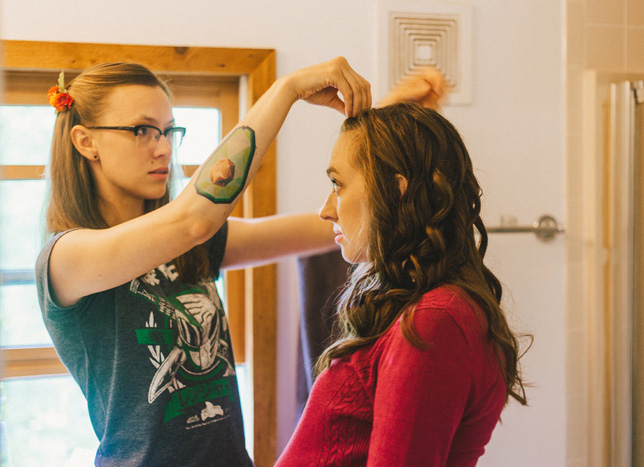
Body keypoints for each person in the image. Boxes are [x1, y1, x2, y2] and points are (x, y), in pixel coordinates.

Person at [36, 57, 374, 466]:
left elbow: (330, 226)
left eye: (168, 131)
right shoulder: (67, 258)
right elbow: (194, 219)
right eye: (142, 130)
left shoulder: (190, 243)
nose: (164, 148)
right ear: (85, 141)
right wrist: (287, 90)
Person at [276, 102, 528, 466]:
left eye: (337, 185)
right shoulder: (422, 309)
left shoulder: (435, 321)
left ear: (395, 192)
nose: (326, 209)